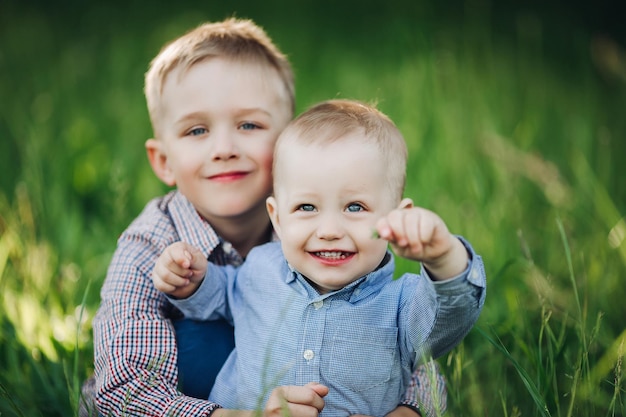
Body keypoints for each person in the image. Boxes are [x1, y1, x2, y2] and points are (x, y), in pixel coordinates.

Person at [87, 18, 448, 417]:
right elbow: (125, 391)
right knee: (198, 338)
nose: (224, 148)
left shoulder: (324, 232)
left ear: (289, 143)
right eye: (196, 131)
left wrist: (410, 409)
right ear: (163, 160)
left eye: (249, 124)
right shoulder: (149, 246)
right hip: (194, 402)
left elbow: (396, 335)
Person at [153, 99, 487, 416]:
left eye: (355, 207)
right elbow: (219, 296)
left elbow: (451, 316)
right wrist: (191, 279)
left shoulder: (403, 304)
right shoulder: (259, 269)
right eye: (306, 207)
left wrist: (443, 257)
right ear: (278, 218)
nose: (329, 230)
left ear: (397, 217)